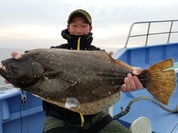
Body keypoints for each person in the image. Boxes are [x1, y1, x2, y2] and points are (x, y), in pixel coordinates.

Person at [10, 9, 143, 133]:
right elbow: (32, 68)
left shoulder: (98, 54)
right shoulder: (52, 53)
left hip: (95, 117)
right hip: (59, 119)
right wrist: (19, 64)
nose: (78, 30)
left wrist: (134, 74)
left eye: (83, 25)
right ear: (68, 27)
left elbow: (118, 70)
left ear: (90, 28)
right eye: (74, 25)